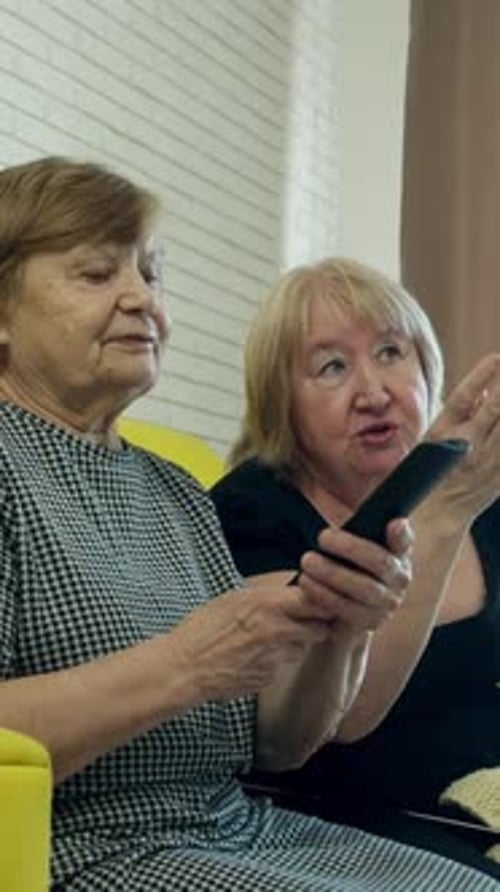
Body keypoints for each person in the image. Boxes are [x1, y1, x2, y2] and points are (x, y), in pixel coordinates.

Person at [0, 160, 494, 892]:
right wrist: (184, 664)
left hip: (237, 828)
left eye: (151, 272)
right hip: (81, 848)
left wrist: (345, 629)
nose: (143, 298)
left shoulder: (175, 491)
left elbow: (280, 744)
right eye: (98, 274)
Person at [211, 257, 500, 879]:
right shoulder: (250, 513)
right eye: (332, 367)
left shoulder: (484, 498)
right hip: (349, 829)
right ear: (280, 404)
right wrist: (445, 513)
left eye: (392, 352)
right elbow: (331, 717)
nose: (374, 392)